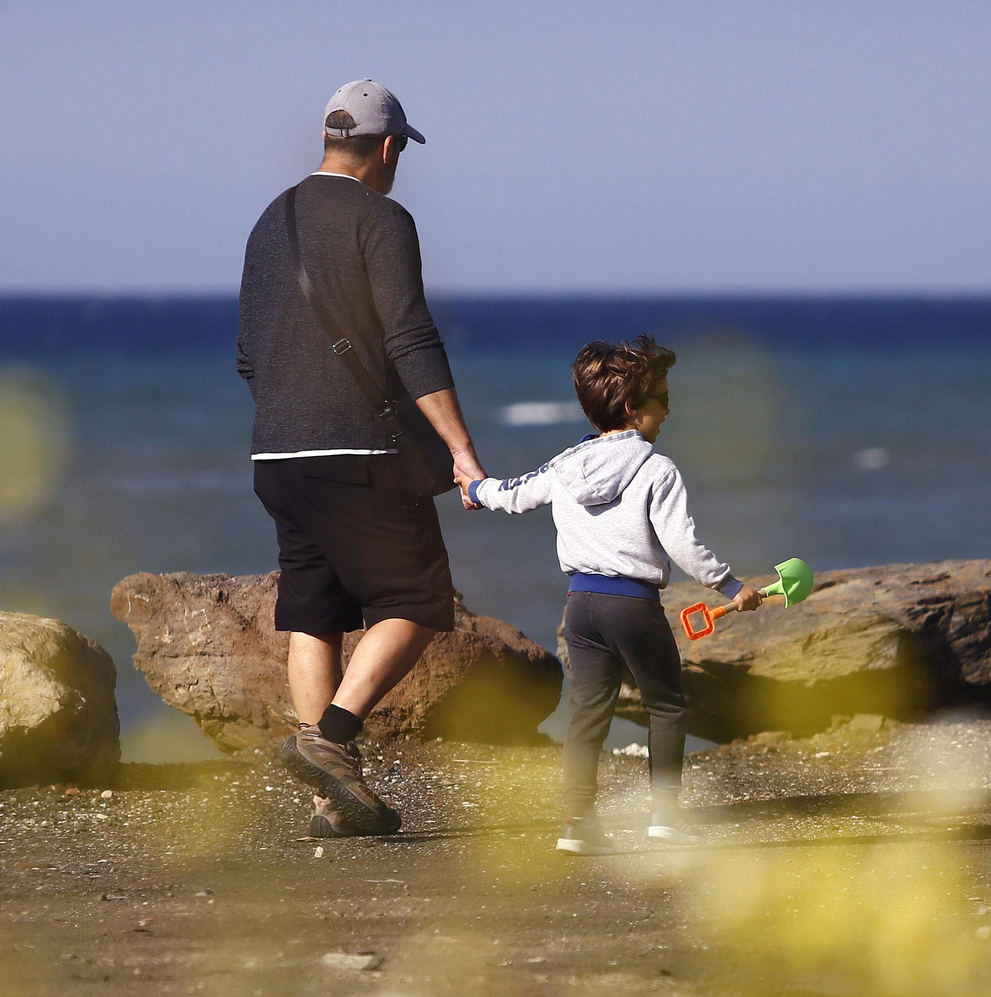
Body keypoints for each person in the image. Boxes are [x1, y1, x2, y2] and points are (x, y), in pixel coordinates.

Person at [236, 80, 486, 838]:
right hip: (358, 450)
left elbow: (249, 354)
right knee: (417, 601)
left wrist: (290, 412)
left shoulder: (268, 221)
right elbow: (410, 338)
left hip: (276, 454)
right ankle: (328, 740)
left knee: (314, 615)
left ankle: (331, 802)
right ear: (385, 148)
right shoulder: (384, 219)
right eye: (399, 153)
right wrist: (462, 450)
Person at [458, 336, 762, 855]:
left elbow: (516, 494)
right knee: (666, 706)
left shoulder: (568, 463)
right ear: (632, 409)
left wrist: (476, 490)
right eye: (661, 399)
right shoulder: (656, 468)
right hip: (631, 606)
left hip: (581, 608)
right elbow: (682, 543)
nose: (668, 408)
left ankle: (578, 826)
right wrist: (732, 587)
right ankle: (666, 819)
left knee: (587, 714)